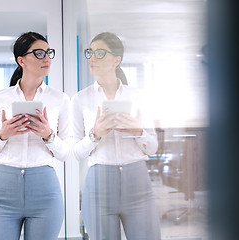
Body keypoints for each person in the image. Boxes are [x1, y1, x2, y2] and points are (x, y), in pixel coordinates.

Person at [0, 32, 70, 240]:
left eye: (48, 53)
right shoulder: (0, 98)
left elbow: (66, 153)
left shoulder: (60, 99)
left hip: (45, 192)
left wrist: (48, 135)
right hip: (3, 190)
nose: (47, 58)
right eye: (39, 53)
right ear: (21, 60)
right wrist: (3, 135)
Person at [71, 32, 161, 240]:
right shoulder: (80, 99)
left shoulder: (138, 96)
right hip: (99, 185)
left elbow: (153, 146)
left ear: (116, 60)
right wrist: (95, 134)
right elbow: (76, 151)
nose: (92, 59)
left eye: (100, 53)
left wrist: (138, 132)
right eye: (90, 53)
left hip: (138, 182)